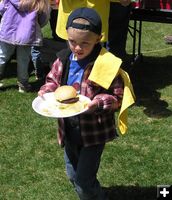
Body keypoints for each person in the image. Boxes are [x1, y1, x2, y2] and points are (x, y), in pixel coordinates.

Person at [38, 7, 135, 200]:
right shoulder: (63, 59)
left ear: (98, 39)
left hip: (93, 134)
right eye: (72, 41)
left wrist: (98, 103)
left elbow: (117, 97)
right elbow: (52, 80)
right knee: (73, 175)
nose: (77, 48)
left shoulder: (106, 64)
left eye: (85, 43)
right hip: (69, 131)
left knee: (83, 180)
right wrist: (46, 92)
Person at [0, 0, 50, 92]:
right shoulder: (38, 2)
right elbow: (44, 18)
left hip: (8, 31)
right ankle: (23, 85)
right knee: (23, 60)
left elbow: (1, 9)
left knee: (2, 57)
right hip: (27, 34)